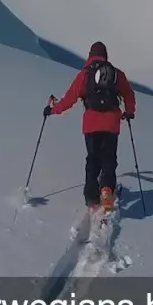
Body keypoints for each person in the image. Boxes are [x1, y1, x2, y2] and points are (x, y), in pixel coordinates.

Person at [45, 41, 136, 212]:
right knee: (109, 158)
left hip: (91, 124)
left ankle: (91, 196)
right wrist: (129, 112)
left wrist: (52, 110)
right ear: (105, 55)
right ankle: (107, 189)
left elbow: (69, 99)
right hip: (112, 123)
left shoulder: (84, 75)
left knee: (93, 158)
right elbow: (129, 95)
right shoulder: (116, 74)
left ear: (90, 55)